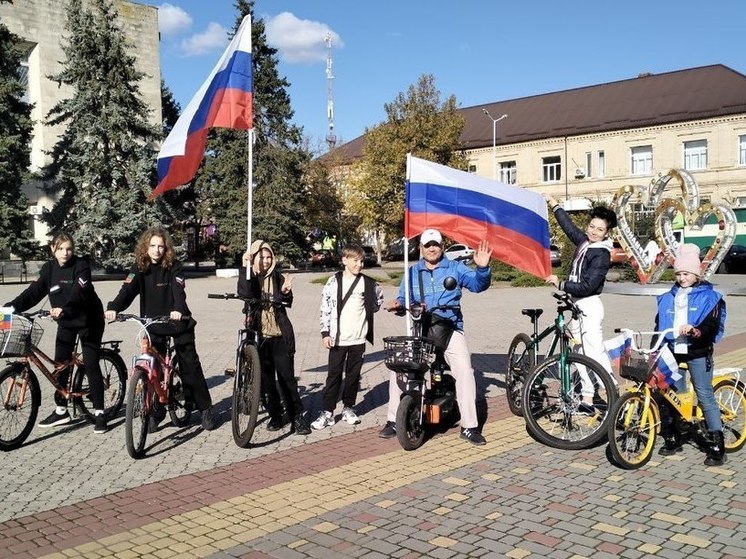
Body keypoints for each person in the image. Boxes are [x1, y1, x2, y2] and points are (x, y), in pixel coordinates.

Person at [380, 229, 492, 445]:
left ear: (442, 246)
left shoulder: (455, 268)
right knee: (399, 368)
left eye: (436, 244)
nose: (432, 248)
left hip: (449, 328)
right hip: (421, 330)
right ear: (421, 248)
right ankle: (394, 420)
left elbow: (478, 285)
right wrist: (398, 304)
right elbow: (404, 298)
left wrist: (482, 268)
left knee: (465, 371)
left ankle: (469, 426)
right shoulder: (411, 272)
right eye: (428, 245)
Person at [105, 227, 216, 432]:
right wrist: (114, 307)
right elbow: (127, 291)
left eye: (161, 246)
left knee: (189, 365)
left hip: (177, 321)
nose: (156, 250)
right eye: (153, 246)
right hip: (152, 323)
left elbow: (178, 291)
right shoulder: (139, 267)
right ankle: (156, 411)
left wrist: (177, 310)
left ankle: (205, 408)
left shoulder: (174, 266)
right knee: (153, 368)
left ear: (166, 249)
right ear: (146, 247)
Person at [5, 233, 109, 433]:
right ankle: (61, 411)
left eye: (69, 248)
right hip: (66, 320)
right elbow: (34, 292)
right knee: (61, 364)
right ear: (53, 249)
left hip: (89, 321)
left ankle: (100, 413)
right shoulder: (49, 268)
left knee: (90, 362)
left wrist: (65, 308)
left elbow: (80, 292)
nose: (65, 253)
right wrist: (11, 307)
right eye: (61, 249)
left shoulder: (81, 266)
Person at [655, 243, 727, 466]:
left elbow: (711, 327)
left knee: (704, 395)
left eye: (686, 273)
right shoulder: (668, 297)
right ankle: (676, 434)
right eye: (678, 273)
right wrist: (655, 349)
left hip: (697, 351)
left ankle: (717, 443)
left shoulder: (710, 298)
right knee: (672, 395)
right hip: (674, 351)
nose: (682, 278)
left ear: (696, 273)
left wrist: (695, 331)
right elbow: (659, 325)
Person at [545, 198, 617, 412]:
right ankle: (587, 397)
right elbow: (569, 228)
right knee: (578, 351)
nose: (594, 231)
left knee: (594, 351)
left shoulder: (601, 253)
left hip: (590, 306)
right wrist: (555, 205)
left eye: (600, 229)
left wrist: (561, 283)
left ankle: (613, 392)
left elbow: (587, 286)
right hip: (577, 307)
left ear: (607, 232)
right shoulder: (586, 242)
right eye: (592, 226)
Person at [237, 240, 311, 435]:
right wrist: (245, 267)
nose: (266, 261)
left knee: (287, 378)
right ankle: (275, 415)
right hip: (258, 337)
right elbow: (245, 293)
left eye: (269, 257)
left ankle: (297, 416)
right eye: (262, 258)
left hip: (280, 335)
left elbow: (288, 302)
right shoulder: (249, 276)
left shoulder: (277, 278)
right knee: (266, 380)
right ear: (254, 258)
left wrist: (286, 293)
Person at [312, 244, 384, 429]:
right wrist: (325, 333)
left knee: (353, 376)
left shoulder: (368, 283)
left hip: (358, 339)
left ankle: (348, 408)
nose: (359, 265)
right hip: (337, 339)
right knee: (333, 376)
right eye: (355, 261)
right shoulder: (333, 282)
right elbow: (325, 309)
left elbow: (377, 302)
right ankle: (327, 412)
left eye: (361, 261)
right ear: (344, 260)